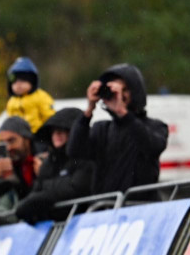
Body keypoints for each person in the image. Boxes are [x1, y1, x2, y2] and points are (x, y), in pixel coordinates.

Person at [67, 64, 168, 195]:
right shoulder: (102, 129)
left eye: (125, 90)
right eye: (113, 90)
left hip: (139, 208)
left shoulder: (155, 126)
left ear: (136, 92)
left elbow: (152, 146)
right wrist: (89, 110)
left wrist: (123, 113)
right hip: (106, 208)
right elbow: (74, 150)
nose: (119, 95)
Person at [15, 108, 94, 223]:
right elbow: (34, 194)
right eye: (54, 130)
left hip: (81, 223)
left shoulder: (86, 156)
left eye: (63, 129)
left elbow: (77, 188)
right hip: (54, 229)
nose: (57, 133)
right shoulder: (50, 160)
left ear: (74, 132)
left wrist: (46, 190)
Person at [6, 57, 54, 133]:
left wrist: (47, 134)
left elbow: (50, 118)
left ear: (32, 81)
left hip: (38, 135)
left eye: (22, 80)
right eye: (14, 82)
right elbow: (9, 124)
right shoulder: (11, 102)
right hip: (18, 136)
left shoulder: (41, 97)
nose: (18, 84)